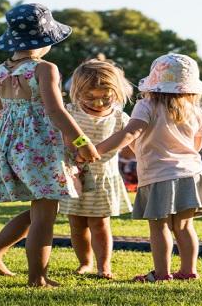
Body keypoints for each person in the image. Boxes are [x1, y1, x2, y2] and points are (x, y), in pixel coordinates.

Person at [0, 3, 100, 288]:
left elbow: (1, 110)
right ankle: (37, 277)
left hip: (11, 145)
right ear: (45, 40)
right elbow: (56, 111)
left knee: (40, 209)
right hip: (39, 147)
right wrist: (82, 141)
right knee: (45, 215)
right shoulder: (45, 68)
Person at [94, 53, 202, 282]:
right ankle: (188, 271)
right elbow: (196, 146)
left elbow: (131, 133)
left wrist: (97, 150)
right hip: (191, 174)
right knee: (184, 226)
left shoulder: (147, 105)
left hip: (158, 175)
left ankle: (161, 274)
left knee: (159, 226)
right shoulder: (198, 113)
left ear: (154, 82)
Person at [58, 59, 133, 279]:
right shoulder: (69, 112)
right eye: (90, 97)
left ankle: (104, 266)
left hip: (103, 178)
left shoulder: (120, 118)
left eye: (105, 97)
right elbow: (62, 138)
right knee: (77, 224)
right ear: (77, 91)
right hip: (75, 177)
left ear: (116, 93)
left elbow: (131, 146)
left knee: (100, 224)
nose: (98, 103)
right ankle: (85, 262)